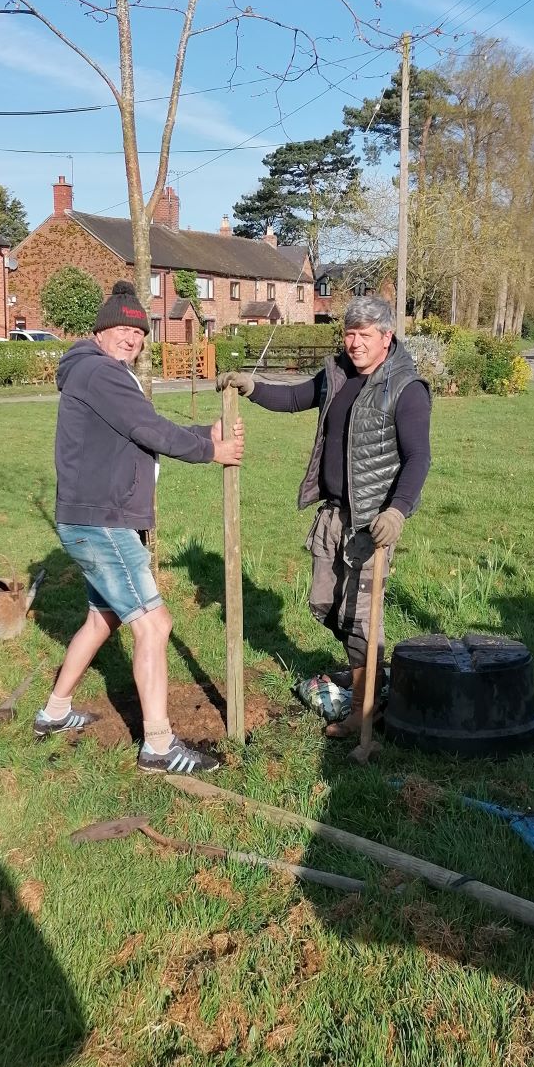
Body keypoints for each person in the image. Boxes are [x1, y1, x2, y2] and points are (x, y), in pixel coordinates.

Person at [38, 279, 244, 773]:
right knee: (154, 625)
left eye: (140, 333)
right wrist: (211, 451)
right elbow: (147, 429)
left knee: (102, 618)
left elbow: (137, 429)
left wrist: (202, 433)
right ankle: (157, 746)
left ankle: (54, 712)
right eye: (122, 330)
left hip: (89, 518)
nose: (132, 339)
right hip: (101, 522)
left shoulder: (94, 372)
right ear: (101, 331)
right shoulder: (101, 373)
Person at [218, 295, 430, 737]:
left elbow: (418, 459)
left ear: (386, 337)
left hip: (371, 523)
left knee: (359, 618)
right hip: (332, 515)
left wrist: (398, 511)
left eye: (363, 335)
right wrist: (252, 386)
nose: (354, 344)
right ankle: (372, 676)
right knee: (324, 604)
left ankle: (364, 708)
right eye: (349, 334)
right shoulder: (336, 374)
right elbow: (295, 396)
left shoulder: (406, 388)